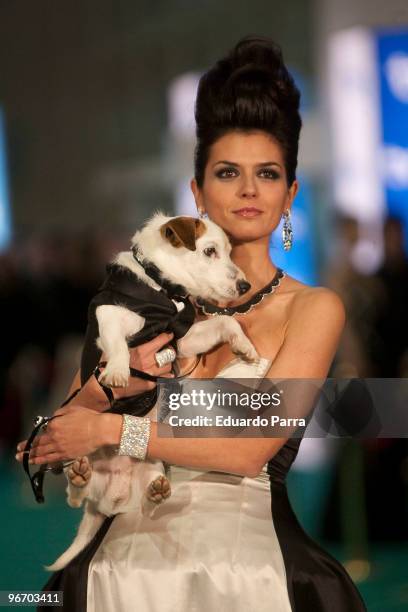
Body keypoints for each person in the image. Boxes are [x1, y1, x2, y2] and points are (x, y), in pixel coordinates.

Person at [16, 35, 367, 611]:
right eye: (228, 173)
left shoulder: (313, 308)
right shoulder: (150, 301)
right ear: (197, 192)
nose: (250, 190)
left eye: (269, 174)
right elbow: (69, 422)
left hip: (245, 573)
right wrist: (91, 406)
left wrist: (113, 428)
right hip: (117, 571)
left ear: (291, 193)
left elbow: (251, 449)